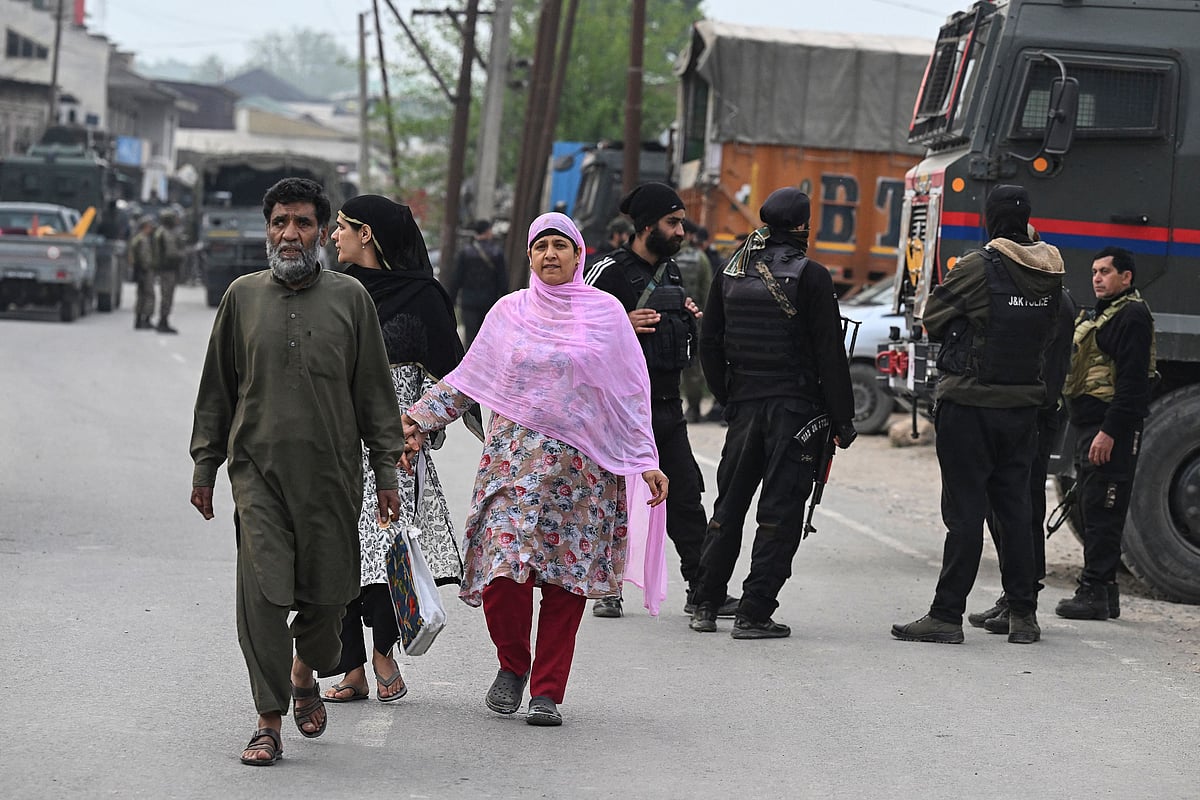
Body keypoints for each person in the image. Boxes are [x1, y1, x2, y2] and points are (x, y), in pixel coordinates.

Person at [401, 211, 669, 726]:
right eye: (541, 246)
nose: (551, 255)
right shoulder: (508, 313)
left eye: (560, 246)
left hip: (582, 473)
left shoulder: (607, 314)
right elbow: (469, 378)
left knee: (566, 584)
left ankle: (547, 691)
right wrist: (416, 419)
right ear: (528, 256)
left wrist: (646, 458)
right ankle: (511, 665)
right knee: (502, 570)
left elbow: (630, 391)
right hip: (510, 467)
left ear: (578, 255)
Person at [189, 178, 406, 766]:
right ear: (268, 229)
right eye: (281, 222)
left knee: (330, 600)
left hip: (333, 477)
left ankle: (304, 673)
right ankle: (267, 720)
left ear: (320, 231)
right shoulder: (241, 297)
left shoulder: (350, 299)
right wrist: (206, 465)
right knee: (261, 593)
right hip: (257, 472)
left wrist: (387, 470)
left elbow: (375, 395)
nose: (291, 234)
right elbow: (218, 390)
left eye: (304, 223)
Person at [319, 194, 477, 705]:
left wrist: (421, 433)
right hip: (334, 445)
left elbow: (452, 382)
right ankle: (351, 669)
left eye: (342, 227)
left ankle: (385, 652)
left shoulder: (423, 297)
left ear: (367, 234)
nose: (333, 235)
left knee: (388, 552)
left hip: (396, 448)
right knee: (339, 552)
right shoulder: (331, 291)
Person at [892, 184, 1065, 646]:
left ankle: (946, 616)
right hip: (1023, 408)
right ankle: (1024, 616)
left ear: (990, 221)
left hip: (970, 405)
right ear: (1028, 220)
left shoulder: (978, 266)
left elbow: (933, 317)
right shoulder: (1052, 272)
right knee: (1015, 511)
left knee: (965, 514)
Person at [688, 187, 856, 639]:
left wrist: (729, 397)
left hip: (746, 407)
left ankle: (705, 602)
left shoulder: (732, 270)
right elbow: (829, 353)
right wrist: (843, 420)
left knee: (729, 505)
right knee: (779, 513)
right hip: (796, 413)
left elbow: (710, 342)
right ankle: (754, 612)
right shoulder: (812, 276)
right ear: (802, 226)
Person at [584, 181, 737, 619]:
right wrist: (621, 323)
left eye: (681, 223)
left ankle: (701, 588)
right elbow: (576, 331)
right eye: (672, 223)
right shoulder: (607, 271)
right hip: (618, 409)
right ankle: (604, 586)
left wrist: (684, 319)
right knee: (611, 498)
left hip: (666, 404)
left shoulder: (671, 273)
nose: (680, 231)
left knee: (686, 496)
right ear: (647, 225)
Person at [969, 225, 1076, 634]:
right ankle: (1014, 598)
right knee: (1008, 508)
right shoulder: (1050, 298)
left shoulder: (1050, 300)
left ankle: (1021, 598)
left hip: (1033, 413)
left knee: (1020, 508)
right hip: (1030, 411)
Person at [1055, 246, 1155, 621]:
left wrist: (1109, 432)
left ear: (1126, 277)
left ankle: (1095, 592)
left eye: (1106, 272)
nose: (1097, 277)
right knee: (1091, 505)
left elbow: (1132, 385)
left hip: (1108, 429)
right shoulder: (1102, 313)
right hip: (1090, 425)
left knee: (1103, 511)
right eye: (1094, 271)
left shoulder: (1132, 316)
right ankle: (1104, 593)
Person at [448, 218, 507, 346]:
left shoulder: (465, 253)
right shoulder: (497, 253)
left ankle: (470, 363)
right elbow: (503, 280)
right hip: (490, 302)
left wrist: (450, 302)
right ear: (487, 231)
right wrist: (506, 303)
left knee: (471, 338)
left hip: (469, 302)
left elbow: (456, 279)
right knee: (486, 338)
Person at [677, 220, 713, 423]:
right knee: (692, 368)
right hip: (693, 321)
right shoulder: (700, 259)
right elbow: (707, 293)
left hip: (661, 321)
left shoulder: (662, 257)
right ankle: (693, 408)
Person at [151, 208, 186, 334]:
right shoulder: (166, 233)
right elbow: (172, 253)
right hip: (168, 269)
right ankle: (163, 321)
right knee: (167, 295)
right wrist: (183, 253)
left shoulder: (162, 232)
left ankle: (163, 321)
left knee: (166, 295)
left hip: (165, 269)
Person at [129, 215, 156, 330]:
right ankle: (146, 319)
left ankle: (138, 319)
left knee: (140, 296)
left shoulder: (137, 239)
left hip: (139, 270)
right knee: (149, 295)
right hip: (145, 271)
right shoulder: (143, 240)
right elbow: (145, 258)